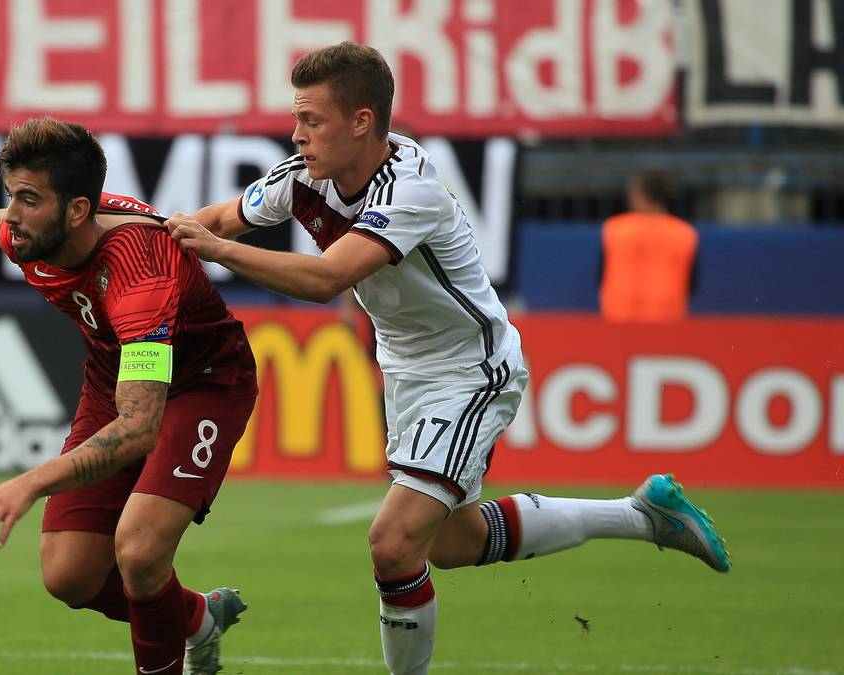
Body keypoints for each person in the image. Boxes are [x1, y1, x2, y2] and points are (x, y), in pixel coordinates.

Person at [165, 42, 730, 675]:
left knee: (393, 544)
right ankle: (641, 516)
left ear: (361, 121)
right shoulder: (304, 175)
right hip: (407, 373)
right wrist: (152, 241)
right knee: (455, 543)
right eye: (297, 118)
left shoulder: (410, 191)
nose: (296, 134)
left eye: (311, 120)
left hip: (469, 370)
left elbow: (326, 278)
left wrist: (215, 249)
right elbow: (221, 218)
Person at [0, 118, 257, 675]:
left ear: (76, 211)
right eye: (11, 195)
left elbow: (139, 428)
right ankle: (197, 617)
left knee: (140, 550)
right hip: (110, 383)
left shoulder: (140, 274)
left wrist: (29, 483)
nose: (13, 214)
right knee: (69, 575)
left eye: (29, 199)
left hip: (203, 384)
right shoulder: (31, 231)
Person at [599, 172, 699, 321]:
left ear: (639, 195)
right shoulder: (684, 233)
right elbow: (692, 282)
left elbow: (601, 274)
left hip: (620, 317)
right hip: (667, 319)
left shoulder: (614, 229)